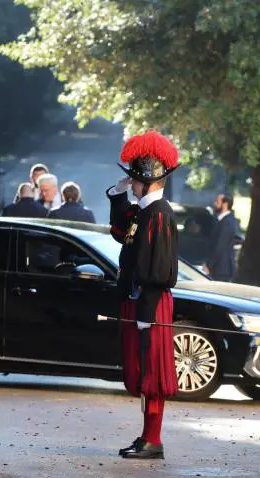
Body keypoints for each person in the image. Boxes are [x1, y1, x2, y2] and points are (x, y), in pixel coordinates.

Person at [107, 130, 180, 460]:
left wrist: (143, 301)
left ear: (149, 181)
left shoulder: (159, 214)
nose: (132, 184)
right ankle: (146, 435)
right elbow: (122, 232)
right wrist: (116, 196)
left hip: (150, 302)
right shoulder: (144, 212)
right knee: (141, 370)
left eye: (134, 180)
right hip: (140, 300)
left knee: (153, 374)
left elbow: (160, 270)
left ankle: (153, 438)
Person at [205, 193, 241, 281]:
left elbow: (220, 246)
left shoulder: (227, 223)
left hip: (221, 270)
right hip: (218, 268)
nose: (214, 204)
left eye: (217, 202)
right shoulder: (222, 220)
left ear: (225, 204)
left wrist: (209, 265)